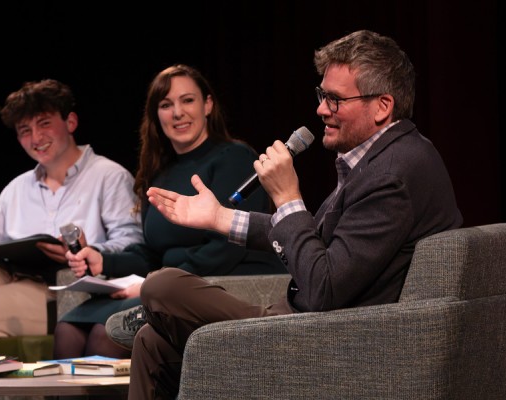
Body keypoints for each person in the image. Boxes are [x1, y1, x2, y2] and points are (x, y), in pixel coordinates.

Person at [114, 30, 464, 399]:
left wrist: (286, 197)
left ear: (382, 106)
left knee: (160, 285)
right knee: (152, 342)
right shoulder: (385, 158)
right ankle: (160, 316)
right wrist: (219, 218)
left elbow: (324, 287)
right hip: (307, 319)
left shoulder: (392, 174)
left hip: (327, 337)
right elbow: (316, 237)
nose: (321, 109)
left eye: (334, 99)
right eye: (321, 95)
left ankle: (160, 309)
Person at [0, 79, 143, 399]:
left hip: (62, 295)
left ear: (71, 122)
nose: (36, 138)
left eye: (44, 124)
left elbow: (132, 242)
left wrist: (87, 251)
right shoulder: (18, 187)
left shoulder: (109, 176)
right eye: (24, 131)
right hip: (16, 284)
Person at [53, 64, 285, 361]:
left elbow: (226, 247)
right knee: (67, 329)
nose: (177, 113)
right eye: (166, 105)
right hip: (168, 283)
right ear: (156, 115)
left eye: (187, 100)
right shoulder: (159, 172)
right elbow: (152, 253)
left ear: (208, 105)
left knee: (106, 333)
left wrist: (151, 284)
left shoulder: (235, 157)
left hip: (224, 280)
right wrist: (103, 260)